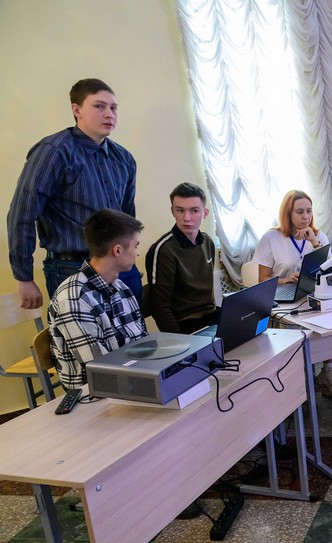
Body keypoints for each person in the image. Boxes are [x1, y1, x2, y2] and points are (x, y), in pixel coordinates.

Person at [7, 78, 140, 310]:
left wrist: (130, 256)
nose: (109, 114)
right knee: (85, 334)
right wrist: (24, 277)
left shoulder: (124, 158)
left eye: (113, 108)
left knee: (133, 331)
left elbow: (127, 217)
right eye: (99, 106)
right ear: (76, 110)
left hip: (119, 265)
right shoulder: (54, 151)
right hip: (72, 268)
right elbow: (22, 214)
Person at [255, 190, 332, 402]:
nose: (306, 217)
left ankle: (330, 372)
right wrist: (285, 280)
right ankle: (299, 377)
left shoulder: (319, 236)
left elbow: (331, 272)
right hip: (285, 297)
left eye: (309, 211)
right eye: (300, 212)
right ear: (288, 214)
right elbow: (262, 279)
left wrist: (315, 242)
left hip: (315, 293)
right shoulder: (271, 238)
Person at [48, 209, 147, 390]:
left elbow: (143, 343)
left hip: (132, 377)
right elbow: (101, 371)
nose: (137, 253)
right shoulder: (74, 300)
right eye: (136, 246)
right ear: (118, 250)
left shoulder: (122, 288)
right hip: (96, 392)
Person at [144, 183, 218, 334]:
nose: (186, 218)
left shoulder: (207, 242)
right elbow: (160, 307)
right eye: (180, 210)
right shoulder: (163, 250)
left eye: (194, 211)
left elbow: (207, 293)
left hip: (210, 315)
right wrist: (181, 342)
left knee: (249, 326)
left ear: (205, 213)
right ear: (172, 211)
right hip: (185, 324)